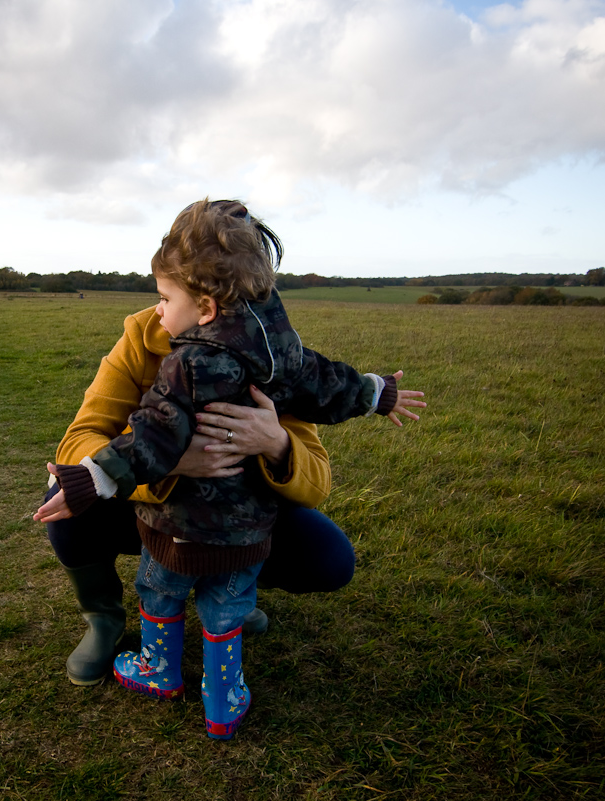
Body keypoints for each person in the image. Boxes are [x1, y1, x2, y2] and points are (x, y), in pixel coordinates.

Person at [34, 199, 425, 739]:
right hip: (226, 521)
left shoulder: (195, 364)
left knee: (162, 583)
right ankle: (196, 678)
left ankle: (159, 667)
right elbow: (81, 436)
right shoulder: (276, 352)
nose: (158, 311)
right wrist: (376, 392)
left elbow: (157, 436)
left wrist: (275, 442)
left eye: (165, 297)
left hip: (180, 526)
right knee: (214, 592)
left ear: (208, 304)